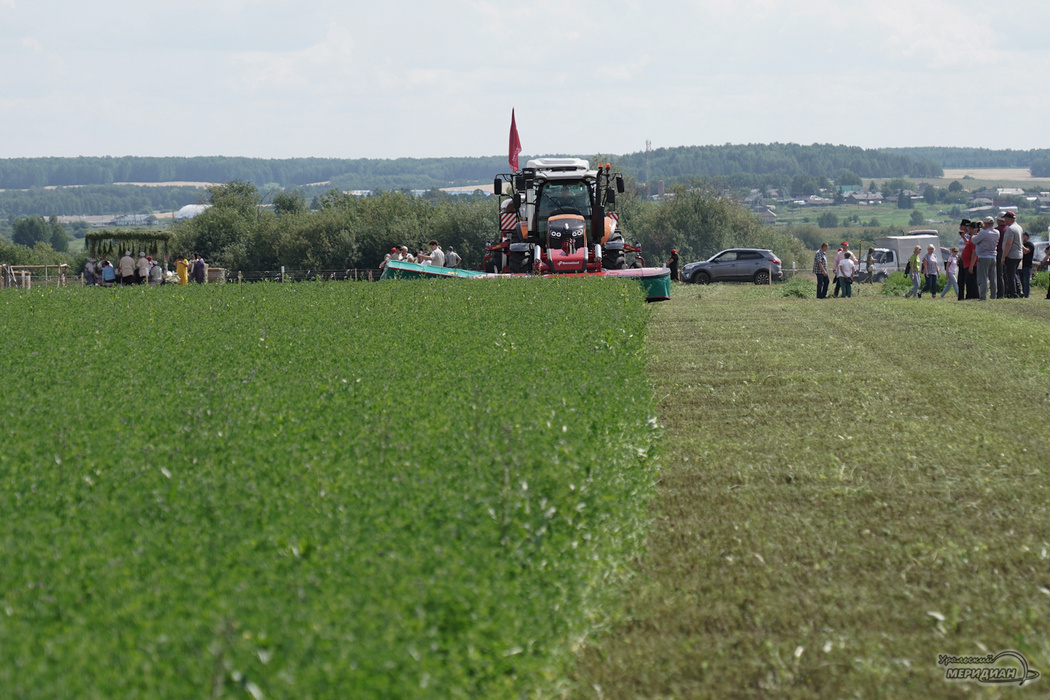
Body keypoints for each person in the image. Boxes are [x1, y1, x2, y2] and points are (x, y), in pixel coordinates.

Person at [972, 216, 1000, 301]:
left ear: (986, 224)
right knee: (993, 278)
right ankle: (993, 296)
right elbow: (988, 232)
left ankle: (983, 296)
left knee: (983, 277)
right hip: (993, 256)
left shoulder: (983, 233)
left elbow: (974, 241)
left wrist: (974, 234)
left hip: (983, 257)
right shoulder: (997, 232)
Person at [1001, 211, 1023, 298]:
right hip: (1018, 254)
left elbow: (1008, 243)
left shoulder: (1010, 229)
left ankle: (1012, 293)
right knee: (1013, 274)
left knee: (1010, 275)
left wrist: (1004, 256)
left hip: (1012, 254)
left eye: (1005, 219)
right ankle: (1019, 290)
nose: (1004, 220)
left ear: (1009, 219)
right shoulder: (1019, 227)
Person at [1020, 232, 1035, 298]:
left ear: (1027, 237)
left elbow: (1026, 251)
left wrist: (1021, 245)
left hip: (1027, 266)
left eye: (1024, 236)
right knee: (1021, 281)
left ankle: (1026, 295)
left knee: (1026, 281)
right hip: (1020, 265)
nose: (1022, 237)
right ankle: (1022, 293)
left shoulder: (1030, 244)